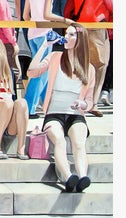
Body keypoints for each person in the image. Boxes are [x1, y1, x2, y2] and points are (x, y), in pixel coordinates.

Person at [32, 21, 97, 191]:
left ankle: (83, 177)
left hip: (76, 114)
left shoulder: (88, 68)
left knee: (79, 142)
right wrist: (45, 46)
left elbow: (90, 101)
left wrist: (83, 104)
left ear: (80, 39)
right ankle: (69, 177)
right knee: (59, 140)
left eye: (71, 34)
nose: (66, 37)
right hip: (54, 113)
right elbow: (31, 72)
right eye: (66, 33)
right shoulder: (55, 57)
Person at [66, 0, 114, 112]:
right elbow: (113, 6)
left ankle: (80, 99)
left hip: (80, 29)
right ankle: (92, 102)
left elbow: (69, 10)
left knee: (83, 65)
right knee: (100, 65)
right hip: (97, 29)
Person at [22, 0, 71, 113]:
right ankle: (30, 107)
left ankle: (47, 104)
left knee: (42, 69)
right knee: (41, 72)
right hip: (44, 33)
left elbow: (25, 16)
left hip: (32, 33)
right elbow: (48, 14)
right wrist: (66, 20)